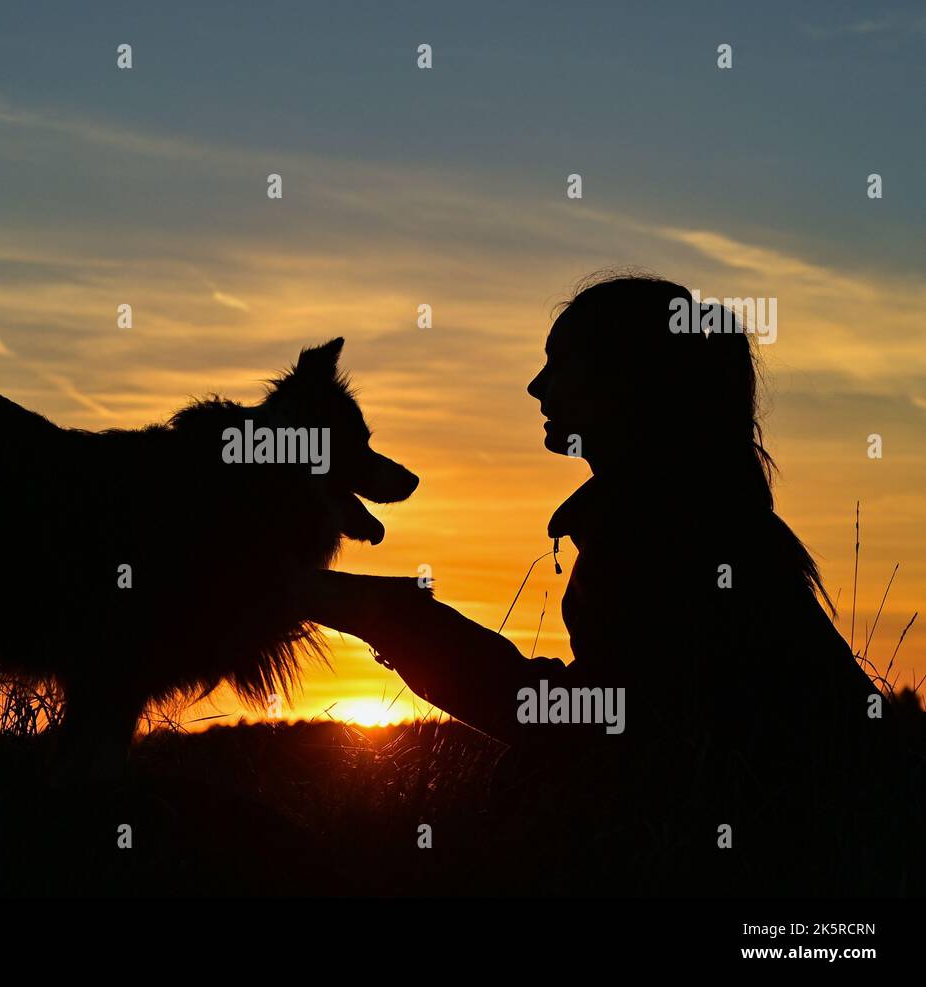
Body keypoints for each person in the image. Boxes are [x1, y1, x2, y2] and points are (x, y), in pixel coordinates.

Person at [299, 273, 884, 892]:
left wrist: (390, 617)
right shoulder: (694, 511)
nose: (536, 387)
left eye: (560, 364)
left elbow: (598, 719)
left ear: (625, 380)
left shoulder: (667, 530)